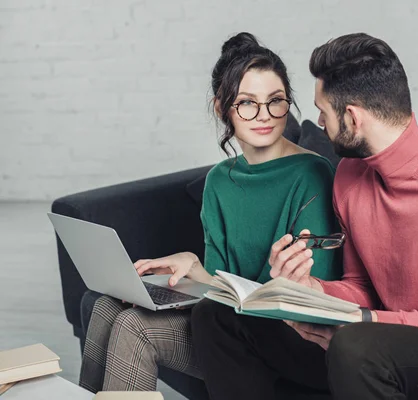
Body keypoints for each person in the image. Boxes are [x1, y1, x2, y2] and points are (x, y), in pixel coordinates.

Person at [191, 33, 418, 400]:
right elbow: (361, 286)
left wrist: (365, 321)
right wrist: (310, 289)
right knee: (217, 316)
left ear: (352, 117)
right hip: (377, 337)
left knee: (354, 345)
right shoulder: (351, 177)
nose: (317, 121)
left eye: (323, 110)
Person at [78, 32, 342, 393]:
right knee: (108, 307)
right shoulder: (219, 181)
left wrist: (218, 288)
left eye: (275, 101)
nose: (264, 115)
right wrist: (193, 269)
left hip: (291, 338)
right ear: (222, 107)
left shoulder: (313, 174)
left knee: (134, 327)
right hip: (230, 326)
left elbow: (305, 296)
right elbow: (224, 292)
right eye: (247, 103)